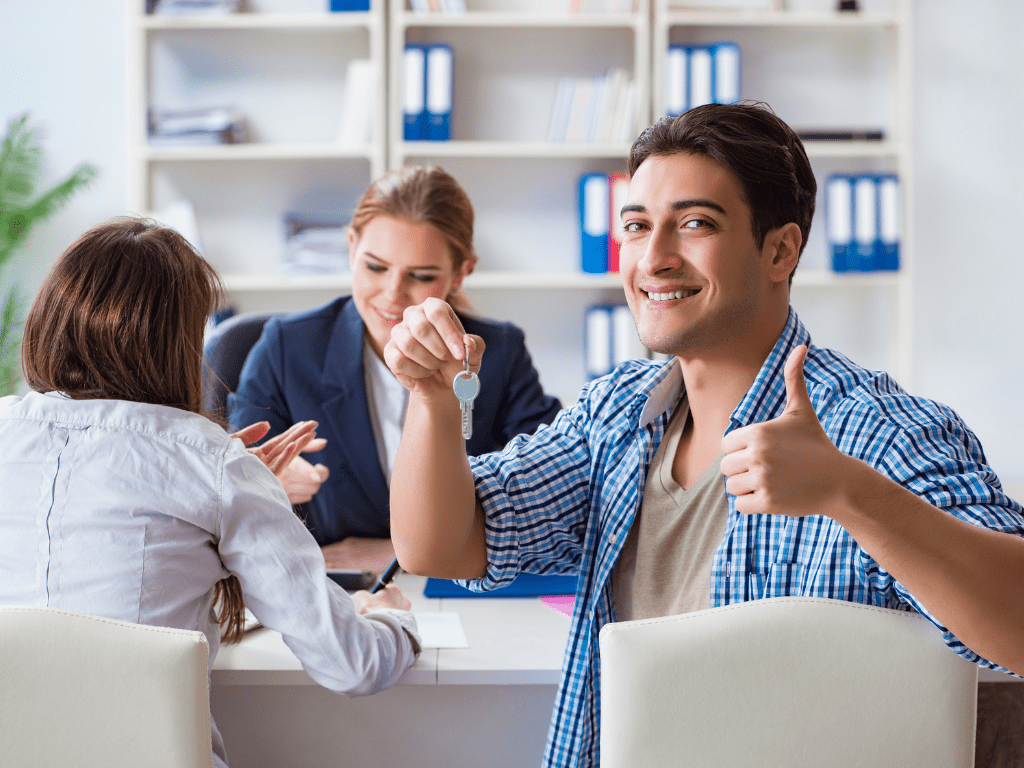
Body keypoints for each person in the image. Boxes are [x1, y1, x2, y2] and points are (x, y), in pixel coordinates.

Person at [382, 103, 1024, 768]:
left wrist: (849, 493)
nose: (654, 259)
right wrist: (430, 398)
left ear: (780, 250)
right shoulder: (617, 415)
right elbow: (445, 545)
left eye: (694, 224)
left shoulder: (872, 432)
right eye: (636, 227)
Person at [0, 218, 421, 768]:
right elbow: (352, 664)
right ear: (177, 341)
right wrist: (394, 618)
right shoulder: (209, 460)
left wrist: (236, 490)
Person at [228, 165, 561, 571]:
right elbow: (228, 485)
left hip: (459, 590)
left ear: (461, 273)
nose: (393, 294)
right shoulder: (285, 348)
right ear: (351, 247)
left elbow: (549, 498)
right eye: (375, 267)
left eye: (421, 276)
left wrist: (399, 555)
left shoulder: (500, 353)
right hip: (332, 592)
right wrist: (266, 483)